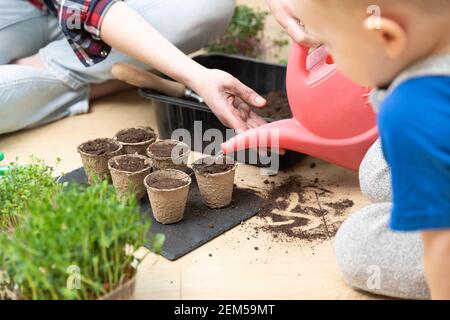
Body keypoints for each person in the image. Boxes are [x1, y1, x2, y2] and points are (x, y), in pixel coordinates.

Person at [275, 0, 450, 299]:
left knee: (356, 242)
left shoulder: (411, 110)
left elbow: (442, 247)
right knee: (377, 169)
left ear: (386, 36)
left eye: (330, 45)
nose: (331, 56)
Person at [0, 0, 267, 135]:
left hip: (126, 6)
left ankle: (64, 69)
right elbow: (89, 6)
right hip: (19, 9)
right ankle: (101, 77)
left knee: (208, 5)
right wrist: (196, 75)